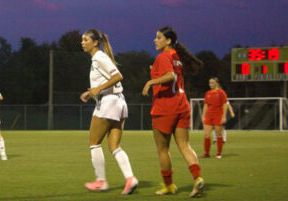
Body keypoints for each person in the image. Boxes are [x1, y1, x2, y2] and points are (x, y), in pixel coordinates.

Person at [142, 26, 204, 198]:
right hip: (182, 104)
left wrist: (150, 82)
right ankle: (197, 177)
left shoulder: (163, 56)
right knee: (185, 145)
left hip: (165, 107)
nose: (155, 40)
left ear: (168, 41)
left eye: (159, 37)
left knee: (163, 149)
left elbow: (170, 76)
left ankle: (169, 186)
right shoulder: (176, 57)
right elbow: (171, 74)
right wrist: (154, 72)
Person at [80, 29, 138, 195]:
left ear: (95, 42)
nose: (82, 43)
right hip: (119, 102)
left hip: (109, 104)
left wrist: (98, 88)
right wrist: (91, 91)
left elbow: (118, 76)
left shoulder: (99, 57)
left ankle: (101, 181)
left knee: (94, 143)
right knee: (114, 146)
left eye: (85, 39)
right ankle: (130, 179)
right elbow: (109, 81)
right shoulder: (98, 58)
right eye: (82, 40)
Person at [201, 77, 228, 159]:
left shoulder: (221, 92)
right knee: (206, 134)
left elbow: (225, 104)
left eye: (212, 82)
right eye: (210, 83)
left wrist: (224, 116)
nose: (211, 84)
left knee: (218, 134)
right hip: (209, 115)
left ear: (217, 83)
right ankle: (206, 153)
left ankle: (219, 153)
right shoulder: (208, 93)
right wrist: (203, 116)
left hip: (218, 115)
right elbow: (206, 105)